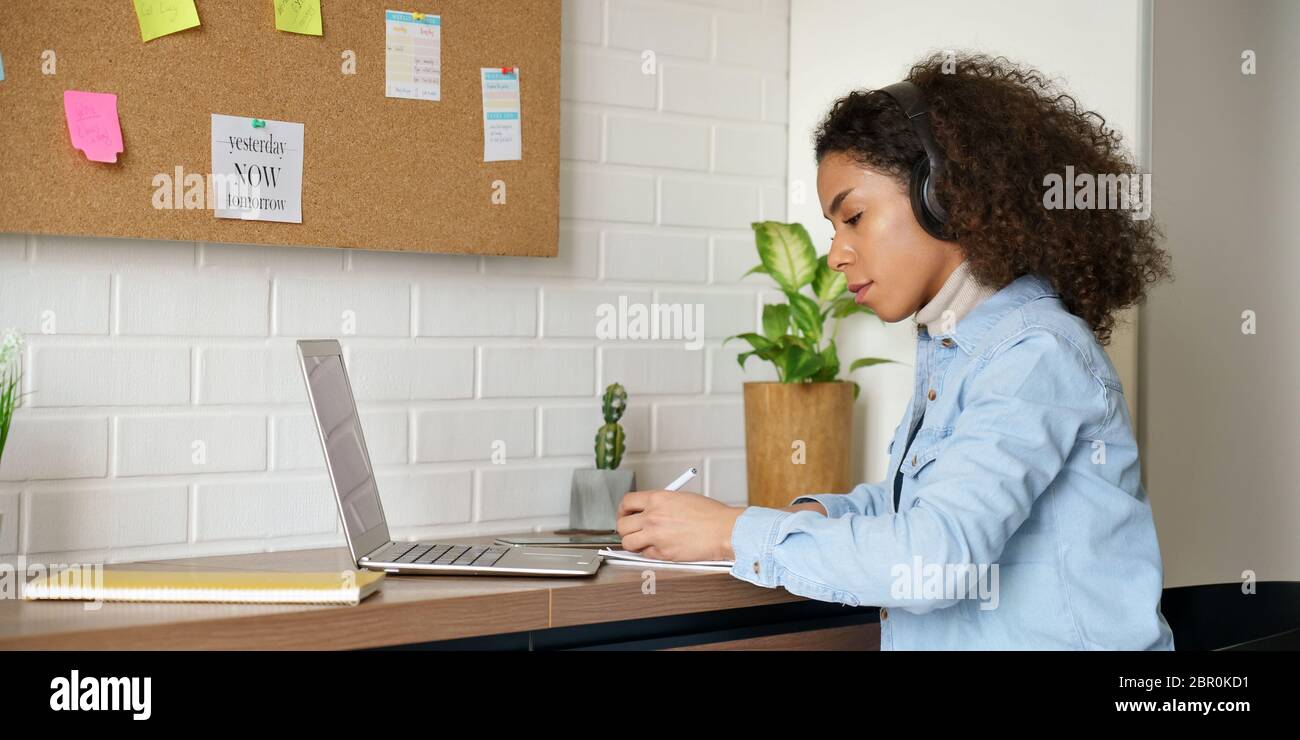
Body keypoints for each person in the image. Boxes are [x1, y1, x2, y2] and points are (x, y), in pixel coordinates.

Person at [615, 52, 1175, 650]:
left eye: (853, 217)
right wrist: (813, 516)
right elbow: (923, 506)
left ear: (945, 195)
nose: (836, 254)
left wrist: (733, 533)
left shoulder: (1034, 354)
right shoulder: (955, 347)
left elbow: (937, 556)